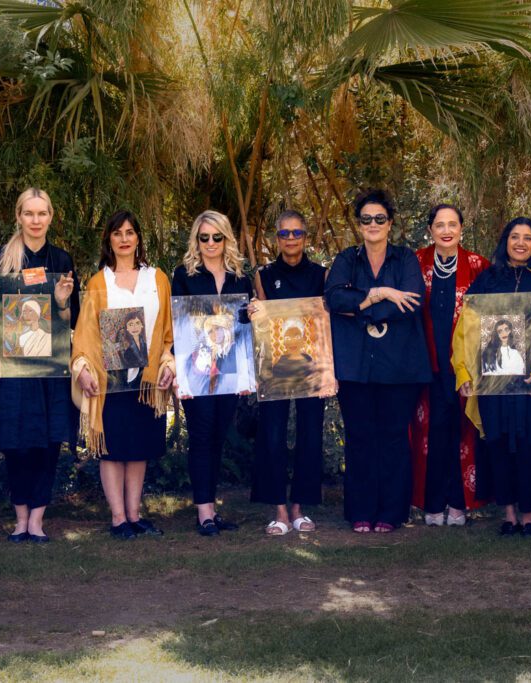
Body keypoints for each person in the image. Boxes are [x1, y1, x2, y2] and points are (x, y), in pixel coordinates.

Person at [452, 217, 531, 537]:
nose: (520, 243)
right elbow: (466, 329)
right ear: (505, 241)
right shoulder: (488, 279)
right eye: (514, 237)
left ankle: (529, 516)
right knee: (499, 444)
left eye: (527, 238)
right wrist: (463, 369)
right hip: (494, 383)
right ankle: (508, 514)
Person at [325, 188, 431, 533]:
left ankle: (391, 512)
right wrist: (380, 293)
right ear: (359, 224)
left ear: (391, 223)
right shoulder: (346, 259)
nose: (373, 224)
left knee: (393, 438)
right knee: (359, 437)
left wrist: (359, 308)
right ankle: (361, 511)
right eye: (366, 219)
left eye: (380, 219)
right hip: (355, 366)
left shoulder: (405, 260)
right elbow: (332, 299)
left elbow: (412, 302)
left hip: (399, 367)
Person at [72, 210, 174, 540]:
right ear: (109, 240)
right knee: (113, 448)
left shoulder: (157, 279)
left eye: (130, 232)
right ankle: (118, 518)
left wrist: (167, 364)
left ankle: (134, 514)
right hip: (110, 377)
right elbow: (85, 333)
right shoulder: (98, 282)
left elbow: (167, 330)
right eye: (118, 233)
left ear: (139, 238)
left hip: (146, 377)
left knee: (139, 446)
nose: (125, 238)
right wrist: (83, 368)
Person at [0, 187, 79, 543]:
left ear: (51, 217)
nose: (36, 220)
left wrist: (60, 302)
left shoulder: (62, 259)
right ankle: (20, 518)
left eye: (42, 213)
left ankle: (38, 521)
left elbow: (72, 319)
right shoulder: (1, 258)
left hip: (52, 369)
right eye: (29, 213)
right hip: (13, 369)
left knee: (47, 443)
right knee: (17, 443)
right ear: (19, 216)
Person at [172, 209, 252, 537]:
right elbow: (177, 326)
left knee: (219, 437)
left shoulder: (240, 278)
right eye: (203, 237)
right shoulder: (184, 275)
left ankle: (212, 509)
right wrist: (180, 375)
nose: (210, 243)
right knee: (202, 437)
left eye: (216, 237)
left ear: (226, 238)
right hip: (196, 370)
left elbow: (244, 327)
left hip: (230, 371)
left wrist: (255, 312)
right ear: (196, 240)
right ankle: (203, 511)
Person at [248, 210, 329, 535]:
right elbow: (263, 322)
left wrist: (326, 371)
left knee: (310, 434)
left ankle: (299, 507)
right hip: (275, 368)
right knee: (273, 436)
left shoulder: (321, 275)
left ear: (306, 237)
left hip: (312, 366)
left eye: (297, 233)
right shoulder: (264, 275)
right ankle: (278, 509)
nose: (291, 239)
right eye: (285, 234)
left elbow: (324, 325)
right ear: (275, 238)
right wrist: (255, 313)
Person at [410, 203, 490, 527]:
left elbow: (492, 315)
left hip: (464, 367)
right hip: (425, 364)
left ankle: (458, 504)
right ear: (430, 229)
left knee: (462, 432)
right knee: (430, 434)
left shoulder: (477, 265)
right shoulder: (415, 263)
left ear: (461, 228)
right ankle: (431, 505)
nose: (446, 230)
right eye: (439, 225)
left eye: (452, 224)